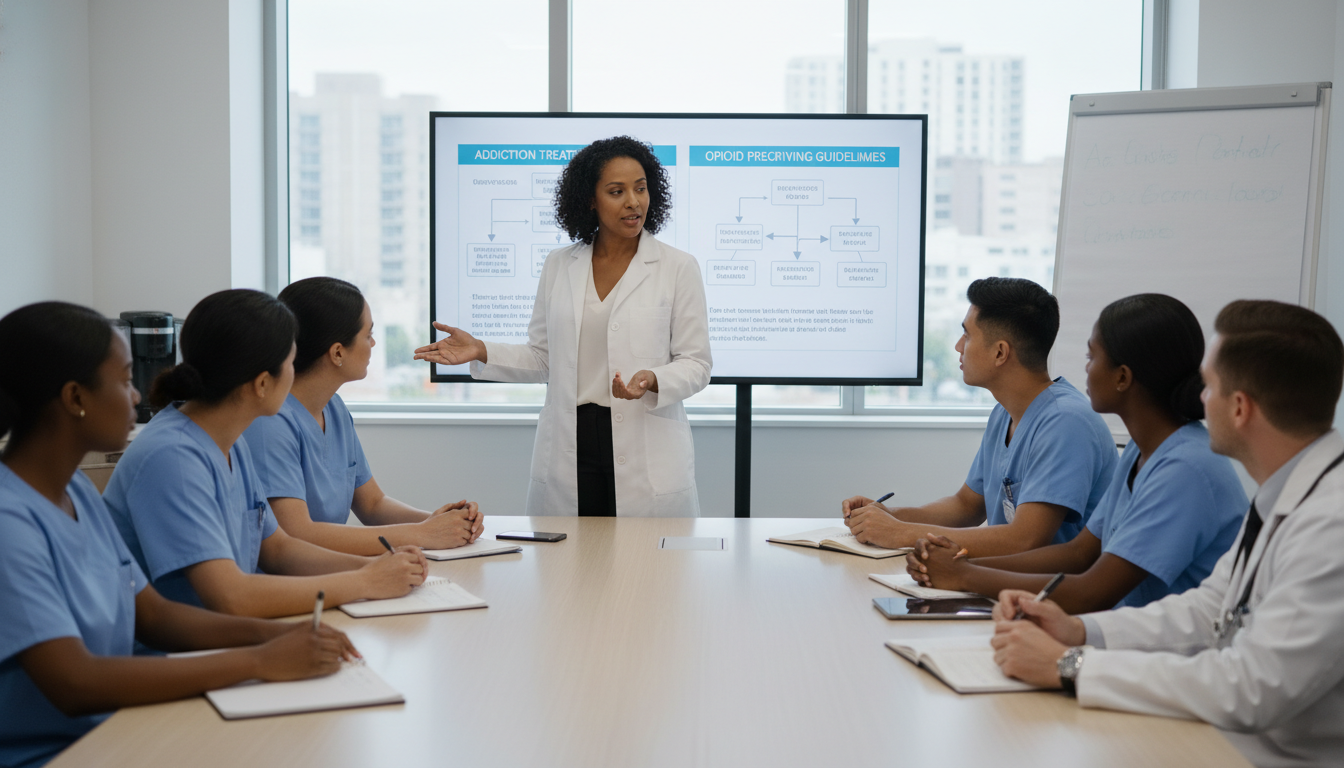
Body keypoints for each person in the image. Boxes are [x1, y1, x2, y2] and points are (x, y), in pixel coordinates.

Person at [0, 302, 358, 768]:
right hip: (54, 754)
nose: (135, 397)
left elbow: (155, 616)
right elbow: (75, 683)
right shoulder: (11, 521)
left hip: (120, 728)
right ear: (75, 398)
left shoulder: (75, 493)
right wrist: (259, 660)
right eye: (125, 380)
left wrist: (279, 637)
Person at [991, 300, 1344, 767]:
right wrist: (1078, 630)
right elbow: (1207, 611)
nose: (1198, 398)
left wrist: (1072, 665)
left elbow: (1253, 686)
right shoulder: (1284, 491)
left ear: (1239, 408)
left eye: (1210, 386)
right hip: (1227, 738)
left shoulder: (1330, 525)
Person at [414, 136, 712, 516]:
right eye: (616, 191)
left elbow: (697, 364)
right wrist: (482, 350)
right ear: (590, 199)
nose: (633, 201)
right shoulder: (559, 265)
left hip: (645, 442)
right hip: (572, 445)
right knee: (569, 567)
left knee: (647, 569)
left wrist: (651, 379)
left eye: (640, 188)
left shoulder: (677, 267)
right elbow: (543, 358)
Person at [905, 294, 1247, 612]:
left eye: (1092, 357)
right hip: (1125, 634)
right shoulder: (1141, 453)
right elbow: (1080, 552)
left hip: (1172, 652)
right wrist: (960, 564)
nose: (1085, 369)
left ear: (1122, 377)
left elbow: (1094, 589)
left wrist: (964, 574)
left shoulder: (1185, 468)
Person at [104, 290, 427, 618]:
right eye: (290, 362)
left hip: (229, 633)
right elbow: (230, 597)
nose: (295, 373)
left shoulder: (230, 442)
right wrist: (363, 582)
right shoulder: (172, 457)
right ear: (261, 384)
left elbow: (277, 549)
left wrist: (375, 567)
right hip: (176, 653)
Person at [842, 277, 1116, 556]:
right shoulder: (1004, 413)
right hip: (1013, 584)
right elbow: (966, 506)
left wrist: (900, 533)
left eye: (967, 335)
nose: (958, 346)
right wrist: (888, 515)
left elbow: (1026, 539)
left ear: (1000, 352)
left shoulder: (1066, 422)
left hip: (1056, 595)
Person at [243, 277, 483, 556]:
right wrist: (421, 533)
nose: (374, 342)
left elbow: (372, 505)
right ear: (337, 352)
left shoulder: (334, 408)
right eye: (367, 334)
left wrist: (438, 521)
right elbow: (297, 533)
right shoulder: (269, 422)